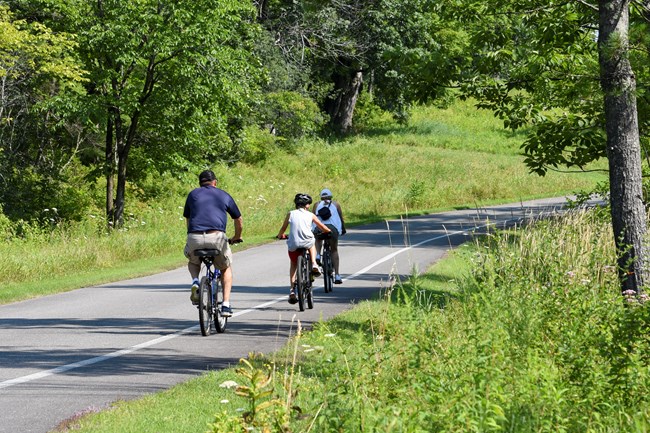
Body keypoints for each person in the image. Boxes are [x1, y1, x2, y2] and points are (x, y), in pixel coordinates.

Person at [183, 170, 243, 317]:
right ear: (215, 182)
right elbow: (238, 219)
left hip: (194, 237)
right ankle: (226, 305)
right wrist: (237, 236)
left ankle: (196, 282)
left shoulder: (192, 194)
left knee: (193, 261)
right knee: (225, 268)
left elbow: (188, 219)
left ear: (200, 183)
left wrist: (192, 235)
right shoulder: (223, 194)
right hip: (216, 237)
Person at [277, 193, 331, 304]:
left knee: (293, 265)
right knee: (312, 242)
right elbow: (321, 226)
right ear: (307, 205)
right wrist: (328, 231)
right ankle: (314, 264)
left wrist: (280, 235)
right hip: (307, 241)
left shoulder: (290, 214)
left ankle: (292, 291)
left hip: (293, 244)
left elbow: (283, 228)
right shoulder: (310, 215)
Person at [313, 188, 346, 284]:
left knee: (318, 238)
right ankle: (337, 276)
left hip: (320, 227)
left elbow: (313, 217)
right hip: (332, 229)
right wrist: (343, 229)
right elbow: (340, 217)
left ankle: (318, 255)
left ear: (321, 197)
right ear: (331, 197)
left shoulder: (316, 204)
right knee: (334, 250)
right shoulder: (336, 204)